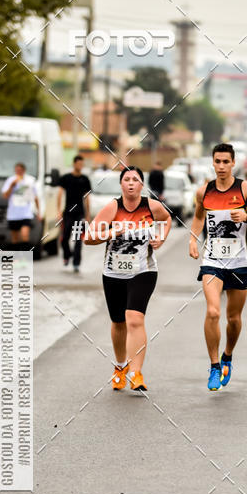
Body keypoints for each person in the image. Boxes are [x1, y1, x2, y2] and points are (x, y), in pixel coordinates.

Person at [188, 142, 247, 391]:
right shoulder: (204, 192)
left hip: (239, 262)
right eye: (217, 161)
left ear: (234, 163)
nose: (221, 166)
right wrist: (193, 239)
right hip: (212, 261)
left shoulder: (245, 189)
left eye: (226, 161)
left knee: (233, 318)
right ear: (212, 162)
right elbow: (199, 217)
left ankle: (228, 356)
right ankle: (213, 366)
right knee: (213, 312)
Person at [84, 166, 172, 391]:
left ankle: (136, 373)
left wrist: (160, 239)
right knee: (118, 322)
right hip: (113, 273)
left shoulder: (152, 206)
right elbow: (89, 237)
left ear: (142, 185)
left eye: (135, 180)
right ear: (121, 184)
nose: (131, 183)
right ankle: (121, 366)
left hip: (143, 271)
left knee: (134, 318)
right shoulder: (112, 208)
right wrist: (112, 232)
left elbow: (166, 219)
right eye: (126, 179)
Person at [57, 155, 91, 273]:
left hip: (79, 215)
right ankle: (67, 255)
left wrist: (87, 214)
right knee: (64, 238)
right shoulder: (66, 178)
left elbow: (87, 197)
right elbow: (60, 194)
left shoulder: (85, 179)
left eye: (82, 164)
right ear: (74, 164)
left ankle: (76, 263)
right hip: (68, 213)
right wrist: (58, 211)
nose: (80, 166)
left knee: (78, 239)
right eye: (79, 164)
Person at [2, 162, 40, 248]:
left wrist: (38, 212)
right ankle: (16, 258)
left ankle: (25, 257)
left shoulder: (30, 181)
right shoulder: (10, 180)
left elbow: (35, 197)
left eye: (20, 170)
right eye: (16, 170)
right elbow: (5, 196)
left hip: (26, 213)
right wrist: (12, 186)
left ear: (24, 171)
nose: (18, 172)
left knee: (24, 235)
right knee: (15, 238)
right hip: (13, 214)